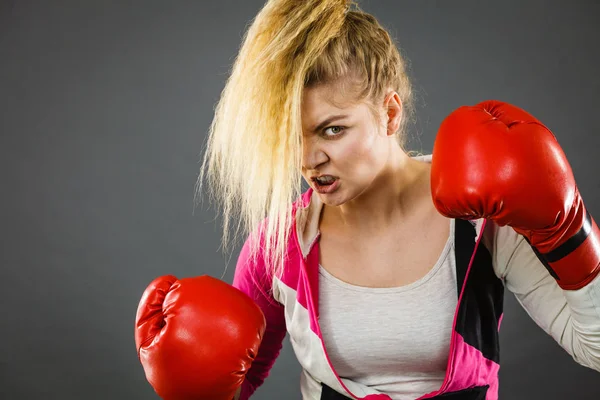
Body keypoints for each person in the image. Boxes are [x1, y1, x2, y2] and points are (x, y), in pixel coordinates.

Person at [133, 0, 600, 399]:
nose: (310, 159)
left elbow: (594, 349)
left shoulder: (480, 217)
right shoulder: (280, 244)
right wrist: (193, 380)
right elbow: (239, 380)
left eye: (332, 129)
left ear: (390, 113)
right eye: (292, 137)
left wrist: (568, 230)